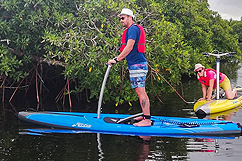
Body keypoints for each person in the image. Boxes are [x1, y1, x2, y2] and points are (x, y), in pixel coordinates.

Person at [108, 8, 151, 126]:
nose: (121, 20)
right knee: (139, 91)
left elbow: (129, 47)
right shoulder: (130, 30)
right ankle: (144, 115)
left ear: (130, 17)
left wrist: (116, 59)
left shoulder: (132, 29)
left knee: (141, 91)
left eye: (123, 18)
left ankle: (147, 119)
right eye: (120, 18)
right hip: (135, 65)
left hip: (138, 65)